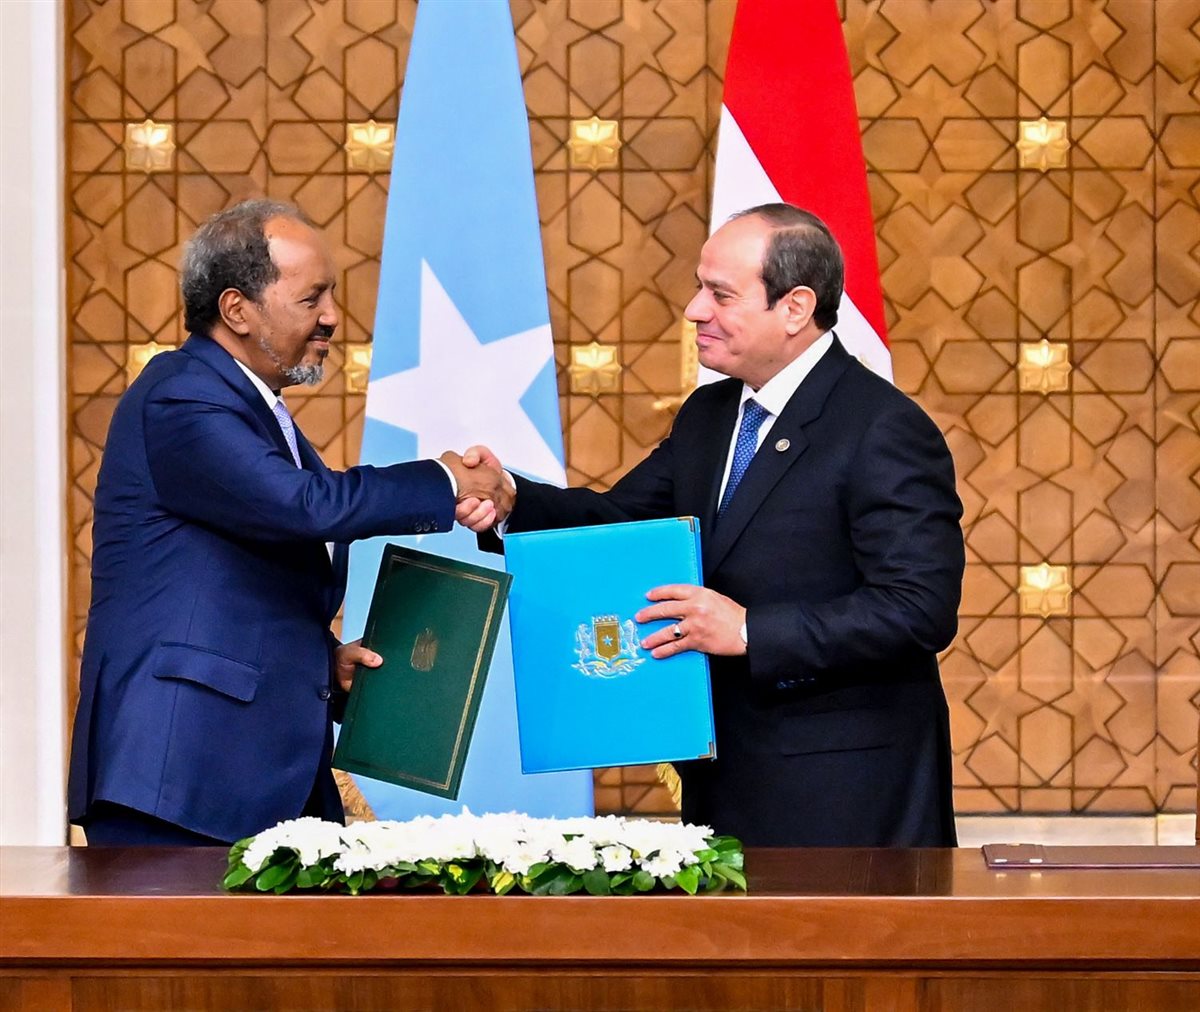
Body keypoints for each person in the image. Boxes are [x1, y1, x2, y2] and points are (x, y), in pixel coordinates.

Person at [462, 204, 965, 847]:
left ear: (795, 307)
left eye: (720, 294)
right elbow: (622, 523)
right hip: (727, 780)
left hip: (846, 794)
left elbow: (918, 608)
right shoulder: (710, 413)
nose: (694, 310)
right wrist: (510, 500)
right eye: (700, 288)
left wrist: (749, 629)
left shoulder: (882, 427)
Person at [68, 199, 511, 846]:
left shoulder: (247, 404)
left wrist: (322, 665)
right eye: (312, 298)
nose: (332, 316)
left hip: (246, 774)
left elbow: (235, 576)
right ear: (236, 310)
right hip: (180, 776)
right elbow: (304, 506)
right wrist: (445, 480)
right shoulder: (181, 394)